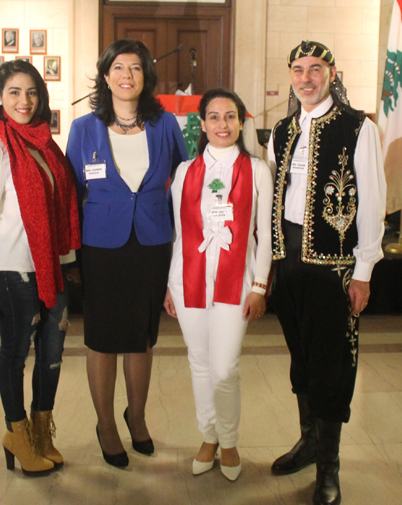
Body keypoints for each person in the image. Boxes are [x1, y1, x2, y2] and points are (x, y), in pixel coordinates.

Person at [267, 41, 386, 505]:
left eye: (315, 69)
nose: (306, 78)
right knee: (300, 358)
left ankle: (329, 467)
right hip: (289, 260)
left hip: (335, 267)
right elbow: (276, 199)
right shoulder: (281, 129)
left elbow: (372, 201)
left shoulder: (358, 127)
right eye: (298, 69)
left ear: (332, 73)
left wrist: (365, 270)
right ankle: (309, 440)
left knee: (331, 366)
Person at [66, 39, 188, 468]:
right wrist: (69, 258)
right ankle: (106, 424)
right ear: (105, 75)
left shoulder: (167, 125)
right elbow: (70, 195)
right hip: (101, 247)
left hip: (153, 244)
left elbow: (186, 182)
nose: (126, 76)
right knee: (101, 337)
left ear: (145, 77)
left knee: (141, 335)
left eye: (135, 68)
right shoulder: (83, 129)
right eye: (118, 67)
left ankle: (136, 417)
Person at [0, 60, 81, 476]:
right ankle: (16, 435)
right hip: (13, 270)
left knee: (52, 353)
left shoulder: (46, 146)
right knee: (15, 354)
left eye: (31, 92)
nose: (24, 100)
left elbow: (60, 212)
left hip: (51, 267)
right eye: (14, 92)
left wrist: (68, 262)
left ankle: (41, 431)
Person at [164, 88, 273, 481]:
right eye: (214, 117)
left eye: (230, 117)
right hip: (188, 281)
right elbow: (177, 234)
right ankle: (208, 436)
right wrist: (168, 285)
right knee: (199, 362)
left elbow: (264, 234)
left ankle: (229, 440)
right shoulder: (184, 171)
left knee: (224, 367)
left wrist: (259, 286)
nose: (222, 125)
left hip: (236, 283)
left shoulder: (257, 169)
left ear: (241, 121)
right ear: (203, 123)